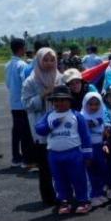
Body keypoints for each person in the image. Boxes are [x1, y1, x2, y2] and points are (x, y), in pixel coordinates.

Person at [33, 85, 92, 214]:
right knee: (59, 179)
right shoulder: (49, 116)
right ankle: (65, 201)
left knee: (79, 177)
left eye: (63, 100)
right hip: (54, 154)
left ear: (69, 101)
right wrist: (50, 125)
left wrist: (87, 155)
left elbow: (85, 136)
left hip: (74, 153)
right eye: (56, 100)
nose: (59, 103)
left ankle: (83, 200)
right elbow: (39, 129)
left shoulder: (76, 116)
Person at [22, 47, 63, 205]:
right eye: (45, 59)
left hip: (60, 127)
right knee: (45, 167)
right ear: (38, 61)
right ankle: (48, 197)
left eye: (52, 59)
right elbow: (27, 105)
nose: (49, 63)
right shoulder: (31, 81)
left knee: (60, 163)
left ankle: (63, 193)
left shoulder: (59, 77)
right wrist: (43, 94)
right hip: (41, 129)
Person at [6, 37, 33, 169]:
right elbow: (26, 84)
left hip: (13, 102)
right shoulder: (22, 65)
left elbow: (7, 84)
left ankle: (16, 157)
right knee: (26, 133)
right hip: (22, 103)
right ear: (21, 49)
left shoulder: (7, 65)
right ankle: (26, 159)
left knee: (16, 131)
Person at [80, 91, 108, 207]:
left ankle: (100, 192)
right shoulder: (81, 116)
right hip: (88, 148)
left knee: (101, 170)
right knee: (90, 172)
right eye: (90, 104)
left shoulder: (103, 114)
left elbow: (105, 131)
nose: (93, 107)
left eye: (96, 104)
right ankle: (92, 195)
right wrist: (95, 122)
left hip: (100, 147)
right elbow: (85, 126)